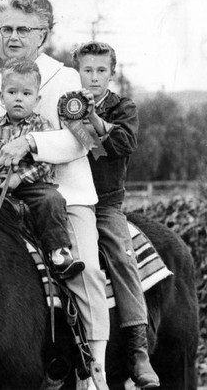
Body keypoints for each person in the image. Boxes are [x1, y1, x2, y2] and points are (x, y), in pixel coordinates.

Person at [0, 0, 109, 387]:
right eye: (6, 28)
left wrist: (30, 144)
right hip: (0, 196)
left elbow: (81, 143)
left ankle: (95, 370)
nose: (12, 36)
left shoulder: (67, 80)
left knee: (89, 272)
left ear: (44, 34)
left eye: (23, 29)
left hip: (64, 197)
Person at [71, 41, 160, 388]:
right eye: (87, 70)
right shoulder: (66, 103)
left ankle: (138, 351)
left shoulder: (123, 106)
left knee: (123, 258)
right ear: (78, 70)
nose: (93, 77)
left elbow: (123, 145)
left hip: (105, 202)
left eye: (100, 71)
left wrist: (92, 119)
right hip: (69, 198)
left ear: (112, 72)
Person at [0, 58, 85, 279]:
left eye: (26, 94)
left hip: (33, 185)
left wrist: (20, 178)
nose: (18, 98)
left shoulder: (42, 126)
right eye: (12, 92)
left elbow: (47, 162)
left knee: (52, 199)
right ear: (1, 96)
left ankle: (58, 251)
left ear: (37, 98)